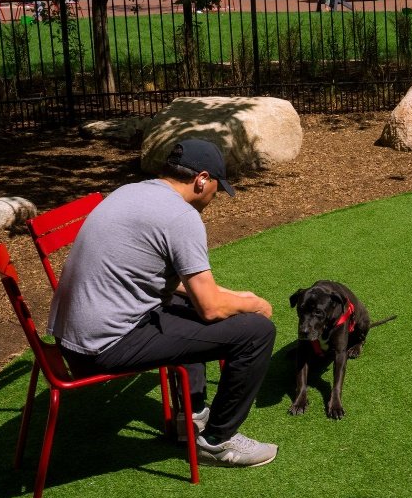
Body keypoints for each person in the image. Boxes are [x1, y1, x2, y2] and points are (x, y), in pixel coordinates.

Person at [48, 139, 279, 468]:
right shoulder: (181, 216)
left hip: (72, 339)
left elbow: (169, 284)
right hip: (101, 347)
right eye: (217, 187)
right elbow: (211, 308)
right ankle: (217, 442)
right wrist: (253, 305)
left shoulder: (131, 192)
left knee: (186, 307)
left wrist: (236, 297)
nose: (214, 197)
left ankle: (191, 415)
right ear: (202, 179)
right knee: (256, 332)